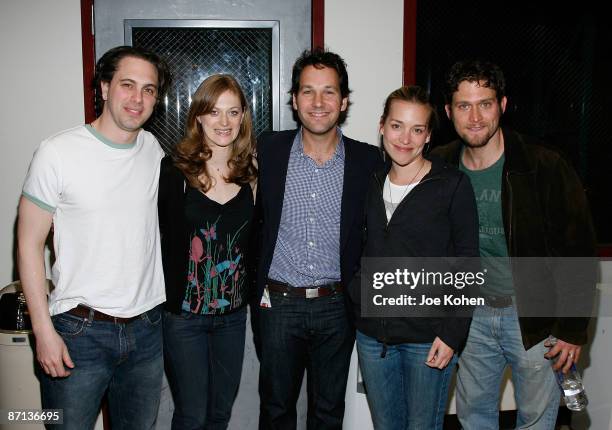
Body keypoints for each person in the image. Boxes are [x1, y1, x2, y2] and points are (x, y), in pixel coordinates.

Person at [432, 59, 597, 429]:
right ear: (448, 112)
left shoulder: (544, 166)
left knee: (537, 421)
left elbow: (578, 252)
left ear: (502, 105)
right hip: (471, 315)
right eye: (463, 105)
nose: (475, 116)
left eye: (485, 103)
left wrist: (572, 330)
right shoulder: (439, 166)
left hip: (534, 320)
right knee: (474, 419)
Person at [17, 46, 171, 429]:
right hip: (79, 332)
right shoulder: (57, 152)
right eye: (128, 85)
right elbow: (28, 243)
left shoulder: (153, 150)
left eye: (149, 89)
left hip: (148, 329)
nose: (138, 98)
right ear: (104, 88)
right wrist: (43, 331)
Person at [255, 48, 383, 429]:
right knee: (276, 410)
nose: (318, 102)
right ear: (294, 100)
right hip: (277, 303)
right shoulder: (268, 150)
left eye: (329, 92)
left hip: (336, 306)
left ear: (343, 102)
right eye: (308, 91)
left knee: (328, 413)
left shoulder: (368, 161)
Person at [348, 85, 478, 429]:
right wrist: (357, 298)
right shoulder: (370, 183)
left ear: (428, 136)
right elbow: (355, 247)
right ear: (382, 126)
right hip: (375, 339)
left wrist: (452, 333)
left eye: (417, 129)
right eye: (396, 125)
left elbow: (468, 263)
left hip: (429, 339)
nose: (405, 138)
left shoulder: (452, 186)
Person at [158, 74, 257, 429]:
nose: (224, 122)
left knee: (219, 413)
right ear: (198, 116)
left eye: (233, 112)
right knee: (191, 414)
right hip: (185, 318)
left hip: (232, 316)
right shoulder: (174, 172)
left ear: (243, 116)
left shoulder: (253, 173)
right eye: (214, 112)